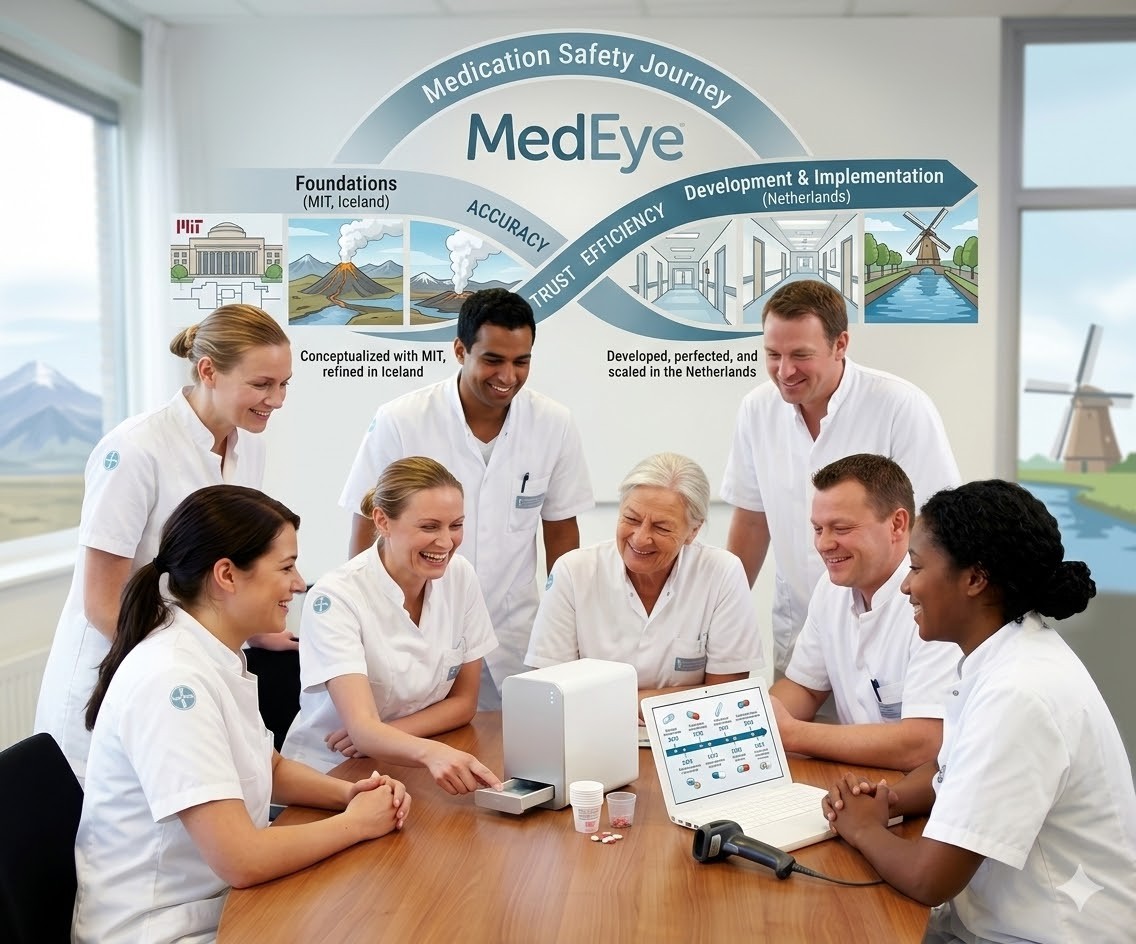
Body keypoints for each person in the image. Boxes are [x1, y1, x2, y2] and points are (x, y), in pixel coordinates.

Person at [72, 485, 410, 944]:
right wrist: (357, 823)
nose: (299, 583)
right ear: (227, 575)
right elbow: (242, 859)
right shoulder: (172, 682)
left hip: (220, 903)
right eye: (286, 567)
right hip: (164, 928)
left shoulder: (217, 654)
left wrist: (350, 794)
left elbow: (268, 765)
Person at [823, 480, 1136, 944]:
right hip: (992, 923)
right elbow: (955, 769)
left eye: (916, 567)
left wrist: (864, 829)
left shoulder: (1018, 693)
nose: (906, 585)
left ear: (974, 579)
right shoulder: (1011, 653)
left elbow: (930, 879)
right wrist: (890, 798)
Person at [35, 303, 295, 783]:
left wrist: (255, 631)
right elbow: (102, 603)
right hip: (121, 672)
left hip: (189, 668)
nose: (276, 400)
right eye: (262, 384)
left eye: (284, 384)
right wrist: (180, 668)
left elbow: (227, 561)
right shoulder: (135, 449)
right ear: (208, 371)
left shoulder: (250, 446)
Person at [339, 288, 593, 708]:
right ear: (460, 350)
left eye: (521, 361)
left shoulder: (554, 423)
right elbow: (367, 524)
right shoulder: (401, 420)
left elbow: (562, 533)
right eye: (493, 360)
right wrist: (369, 621)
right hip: (417, 633)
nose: (507, 376)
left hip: (516, 634)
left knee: (516, 742)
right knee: (417, 738)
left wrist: (564, 628)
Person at [720, 279, 959, 673]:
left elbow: (933, 525)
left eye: (801, 355)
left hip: (893, 628)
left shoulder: (900, 405)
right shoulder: (756, 409)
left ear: (840, 344)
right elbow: (752, 519)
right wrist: (721, 613)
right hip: (799, 628)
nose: (785, 371)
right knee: (794, 710)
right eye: (773, 354)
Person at [284, 457, 503, 794]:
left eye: (456, 525)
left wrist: (385, 734)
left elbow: (464, 703)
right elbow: (362, 730)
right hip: (333, 770)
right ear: (382, 521)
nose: (446, 543)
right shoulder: (337, 596)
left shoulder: (460, 575)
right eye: (429, 527)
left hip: (408, 762)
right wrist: (378, 738)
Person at [525, 452, 763, 711]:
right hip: (589, 729)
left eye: (661, 527)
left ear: (693, 531)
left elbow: (728, 695)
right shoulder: (573, 572)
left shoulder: (722, 573)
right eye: (631, 519)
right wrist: (668, 699)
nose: (640, 538)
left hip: (688, 734)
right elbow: (550, 692)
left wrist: (629, 701)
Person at [769, 454, 956, 771]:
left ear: (897, 524)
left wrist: (791, 734)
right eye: (818, 529)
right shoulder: (830, 589)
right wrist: (753, 719)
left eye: (841, 528)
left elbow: (923, 744)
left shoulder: (938, 600)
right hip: (861, 780)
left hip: (925, 790)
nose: (824, 544)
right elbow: (804, 688)